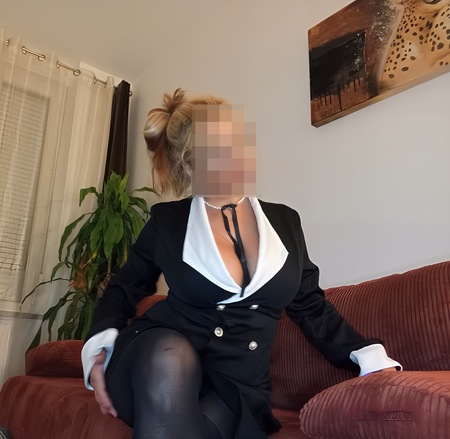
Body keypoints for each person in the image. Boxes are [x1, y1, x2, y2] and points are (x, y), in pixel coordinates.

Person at [81, 88, 401, 439]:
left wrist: (365, 355)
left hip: (235, 383)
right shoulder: (167, 221)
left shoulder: (285, 222)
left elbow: (311, 306)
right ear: (189, 164)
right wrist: (99, 348)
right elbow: (125, 287)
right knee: (169, 359)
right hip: (155, 357)